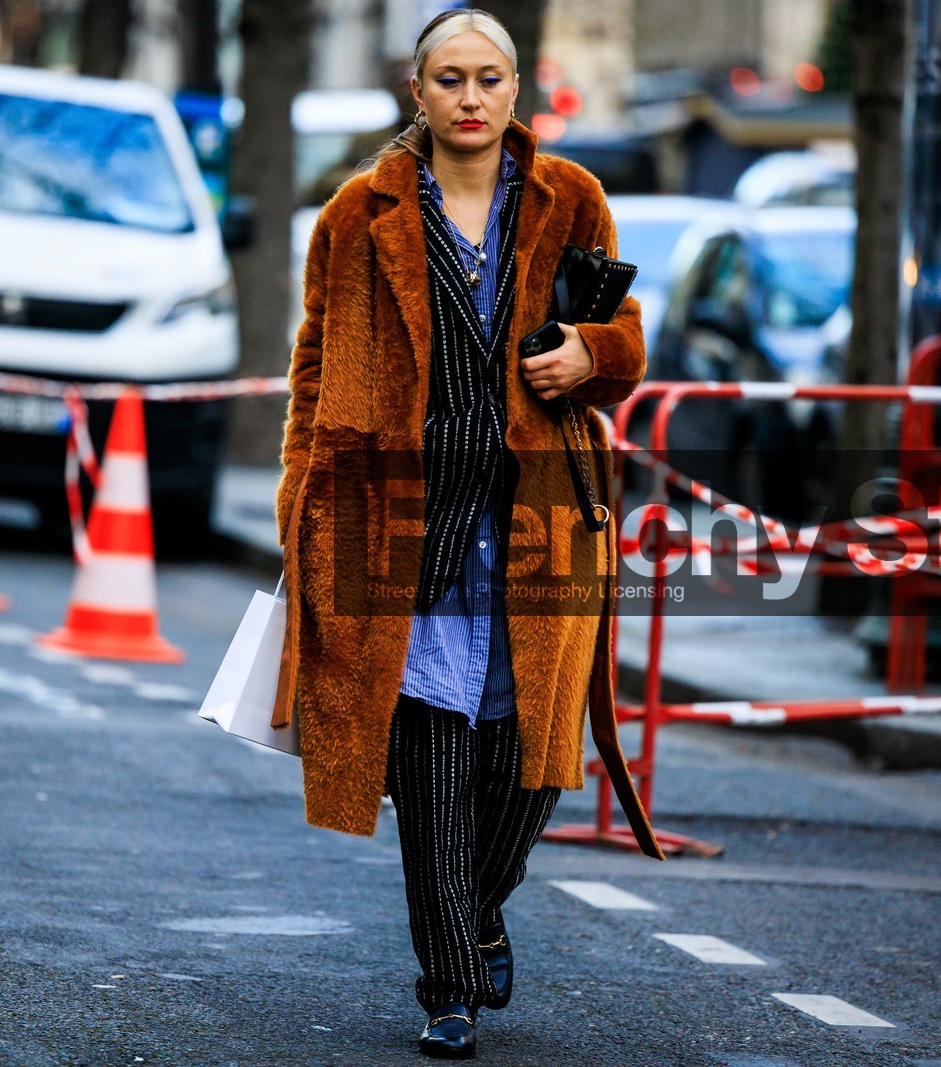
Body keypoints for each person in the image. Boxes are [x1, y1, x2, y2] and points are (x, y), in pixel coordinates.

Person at [271, 8, 663, 1059]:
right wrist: (299, 511)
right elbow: (314, 372)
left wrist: (588, 354)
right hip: (402, 518)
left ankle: (480, 907)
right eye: (450, 78)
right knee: (432, 754)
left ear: (516, 87)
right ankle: (447, 981)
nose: (471, 97)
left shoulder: (571, 198)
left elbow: (622, 334)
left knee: (531, 765)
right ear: (419, 92)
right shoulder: (356, 216)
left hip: (542, 516)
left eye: (488, 77)